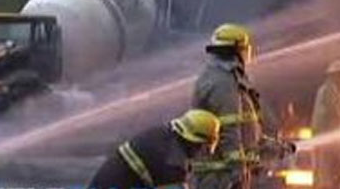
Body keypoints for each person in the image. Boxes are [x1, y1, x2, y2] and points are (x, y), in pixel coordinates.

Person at [190, 23, 294, 189]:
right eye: (246, 50)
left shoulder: (228, 80)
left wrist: (276, 148)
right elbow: (229, 131)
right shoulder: (222, 84)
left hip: (224, 176)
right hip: (219, 179)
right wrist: (237, 171)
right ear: (238, 51)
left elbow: (246, 133)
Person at [87, 108, 221, 189]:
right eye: (204, 147)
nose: (202, 153)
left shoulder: (165, 134)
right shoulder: (173, 161)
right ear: (195, 142)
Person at [311, 59, 340, 188]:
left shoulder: (331, 89)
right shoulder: (330, 89)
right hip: (326, 137)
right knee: (325, 173)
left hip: (324, 136)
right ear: (339, 74)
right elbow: (335, 112)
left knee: (324, 172)